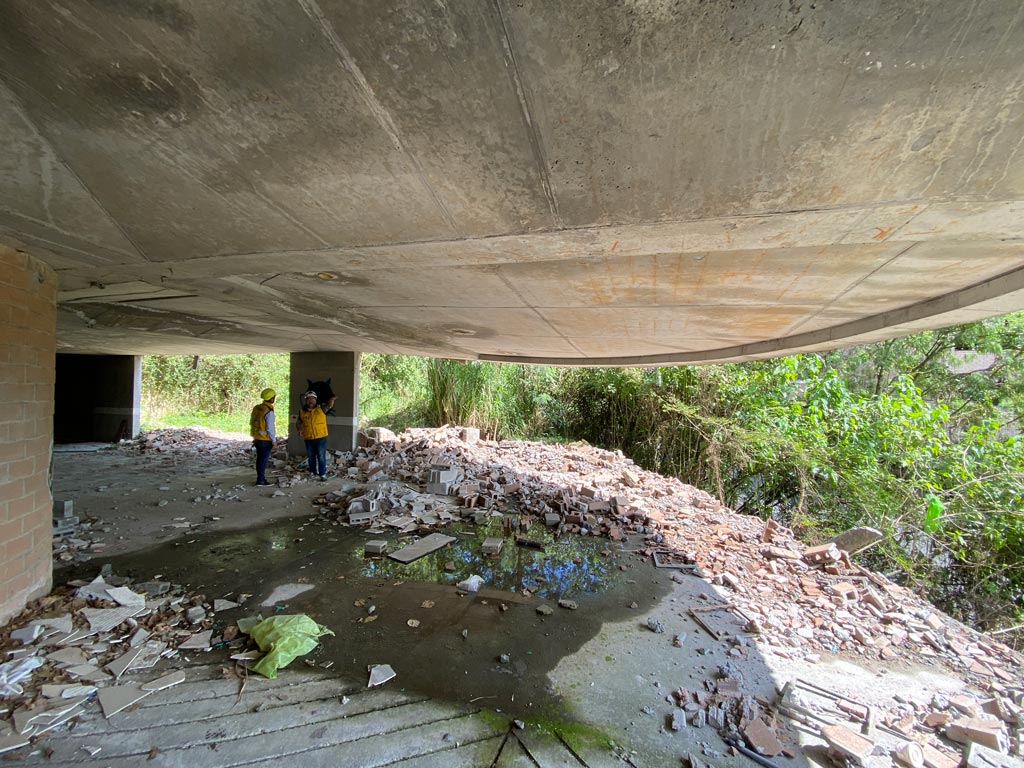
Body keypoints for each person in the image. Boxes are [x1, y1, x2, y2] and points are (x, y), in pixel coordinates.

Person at [297, 390, 328, 481]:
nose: (311, 401)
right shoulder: (302, 411)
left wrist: (332, 399)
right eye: (309, 399)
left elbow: (329, 405)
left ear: (316, 400)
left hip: (321, 437)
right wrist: (299, 429)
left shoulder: (321, 409)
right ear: (306, 400)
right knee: (311, 457)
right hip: (308, 437)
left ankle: (322, 473)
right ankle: (313, 472)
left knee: (321, 456)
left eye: (313, 399)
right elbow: (299, 422)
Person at [249, 388, 276, 486]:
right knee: (263, 461)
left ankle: (260, 478)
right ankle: (261, 480)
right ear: (272, 398)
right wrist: (274, 440)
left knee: (259, 459)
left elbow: (252, 422)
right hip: (265, 440)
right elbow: (270, 428)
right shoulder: (269, 411)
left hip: (257, 438)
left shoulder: (257, 408)